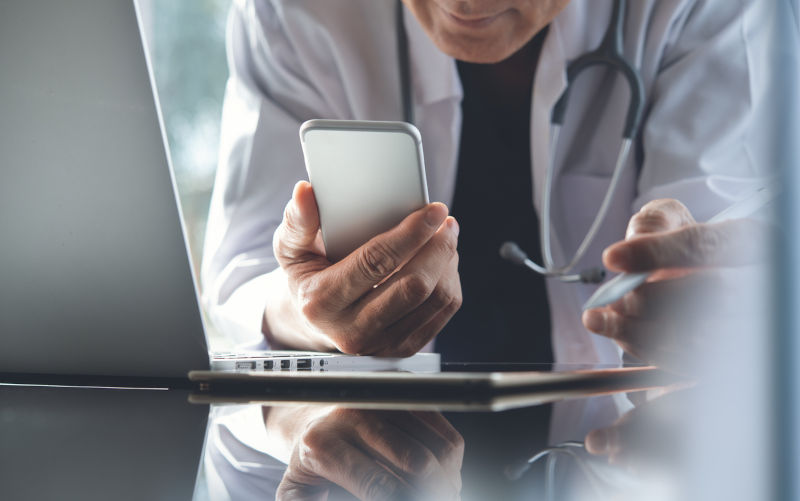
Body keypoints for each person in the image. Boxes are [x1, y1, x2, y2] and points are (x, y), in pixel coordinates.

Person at [201, 0, 780, 439]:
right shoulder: (294, 12)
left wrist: (709, 300)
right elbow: (243, 276)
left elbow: (725, 249)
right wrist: (313, 311)